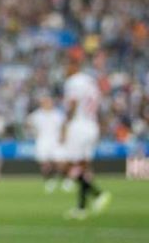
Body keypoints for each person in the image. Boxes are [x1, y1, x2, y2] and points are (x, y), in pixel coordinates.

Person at [60, 56, 111, 220]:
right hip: (92, 125)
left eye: (66, 66)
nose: (64, 70)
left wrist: (65, 125)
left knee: (67, 166)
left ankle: (98, 194)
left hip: (79, 126)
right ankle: (81, 208)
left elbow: (73, 104)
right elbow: (100, 105)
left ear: (73, 66)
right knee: (83, 167)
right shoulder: (90, 81)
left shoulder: (73, 81)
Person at [25, 93, 65, 193]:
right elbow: (28, 123)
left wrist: (63, 136)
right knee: (44, 163)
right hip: (42, 141)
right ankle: (49, 181)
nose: (47, 104)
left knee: (59, 163)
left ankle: (62, 179)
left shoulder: (57, 114)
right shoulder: (37, 115)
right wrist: (33, 132)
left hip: (56, 141)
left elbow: (64, 125)